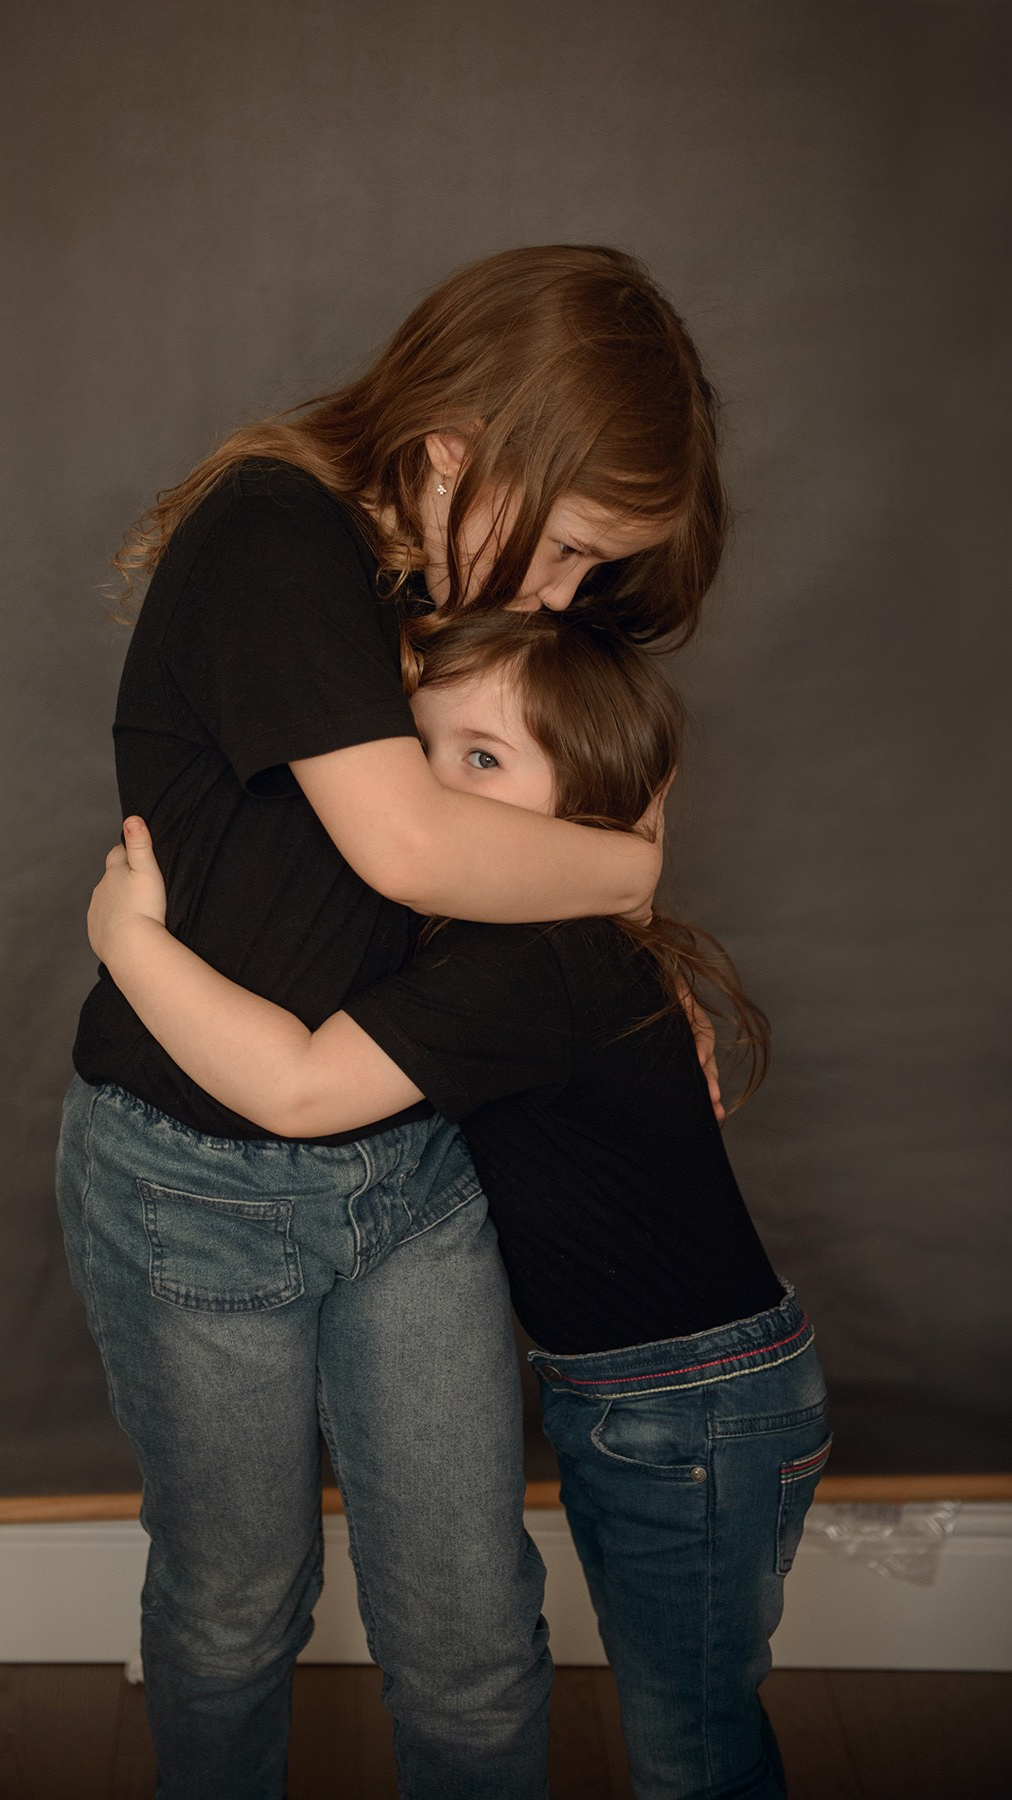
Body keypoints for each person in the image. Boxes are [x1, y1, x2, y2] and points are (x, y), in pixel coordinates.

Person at [57, 243, 726, 1800]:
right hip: (197, 1185)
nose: (560, 601)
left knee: (475, 1628)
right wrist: (632, 876)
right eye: (558, 552)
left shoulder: (447, 589)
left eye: (583, 576)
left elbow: (524, 805)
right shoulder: (273, 537)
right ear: (448, 452)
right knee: (234, 1611)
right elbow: (416, 849)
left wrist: (642, 966)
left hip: (412, 1167)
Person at [88, 608, 831, 1800]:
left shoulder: (523, 964)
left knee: (693, 1749)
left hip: (689, 1411)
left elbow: (296, 1086)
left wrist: (128, 943)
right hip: (672, 1392)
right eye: (417, 747)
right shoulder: (547, 937)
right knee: (689, 1723)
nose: (427, 794)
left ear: (590, 809)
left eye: (480, 759)